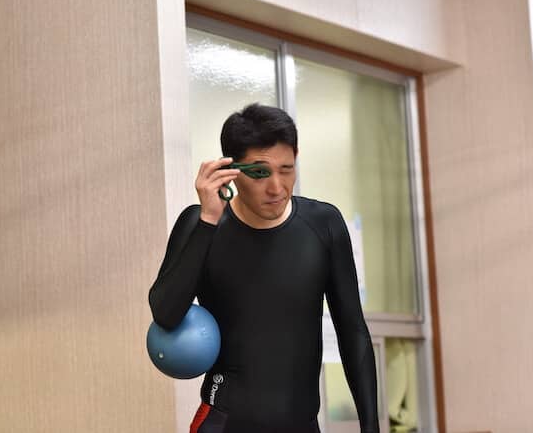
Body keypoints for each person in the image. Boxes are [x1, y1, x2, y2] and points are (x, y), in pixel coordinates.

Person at [148, 103, 379, 433]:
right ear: (230, 169)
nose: (276, 187)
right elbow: (165, 314)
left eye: (287, 169)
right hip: (225, 423)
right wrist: (209, 220)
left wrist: (371, 427)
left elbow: (353, 331)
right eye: (259, 172)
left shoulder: (324, 225)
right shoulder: (200, 224)